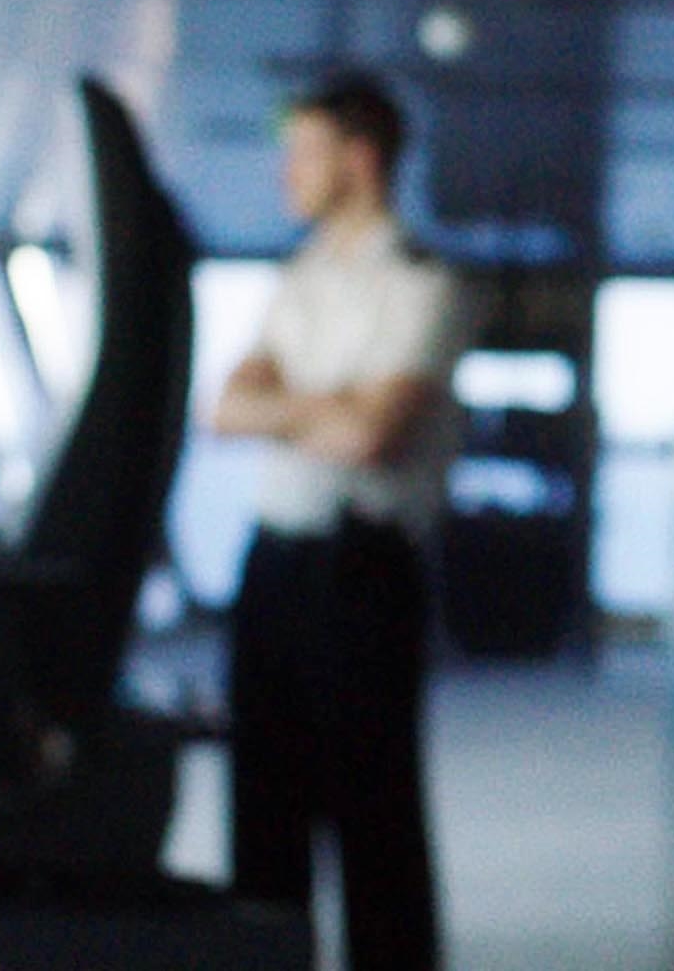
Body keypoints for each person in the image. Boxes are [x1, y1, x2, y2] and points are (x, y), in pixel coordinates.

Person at [206, 70, 469, 971]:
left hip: (365, 571)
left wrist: (296, 406)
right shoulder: (300, 276)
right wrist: (325, 406)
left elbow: (370, 436)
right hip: (273, 564)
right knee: (262, 805)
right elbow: (225, 408)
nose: (287, 175)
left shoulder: (422, 283)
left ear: (360, 159)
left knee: (374, 815)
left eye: (304, 153)